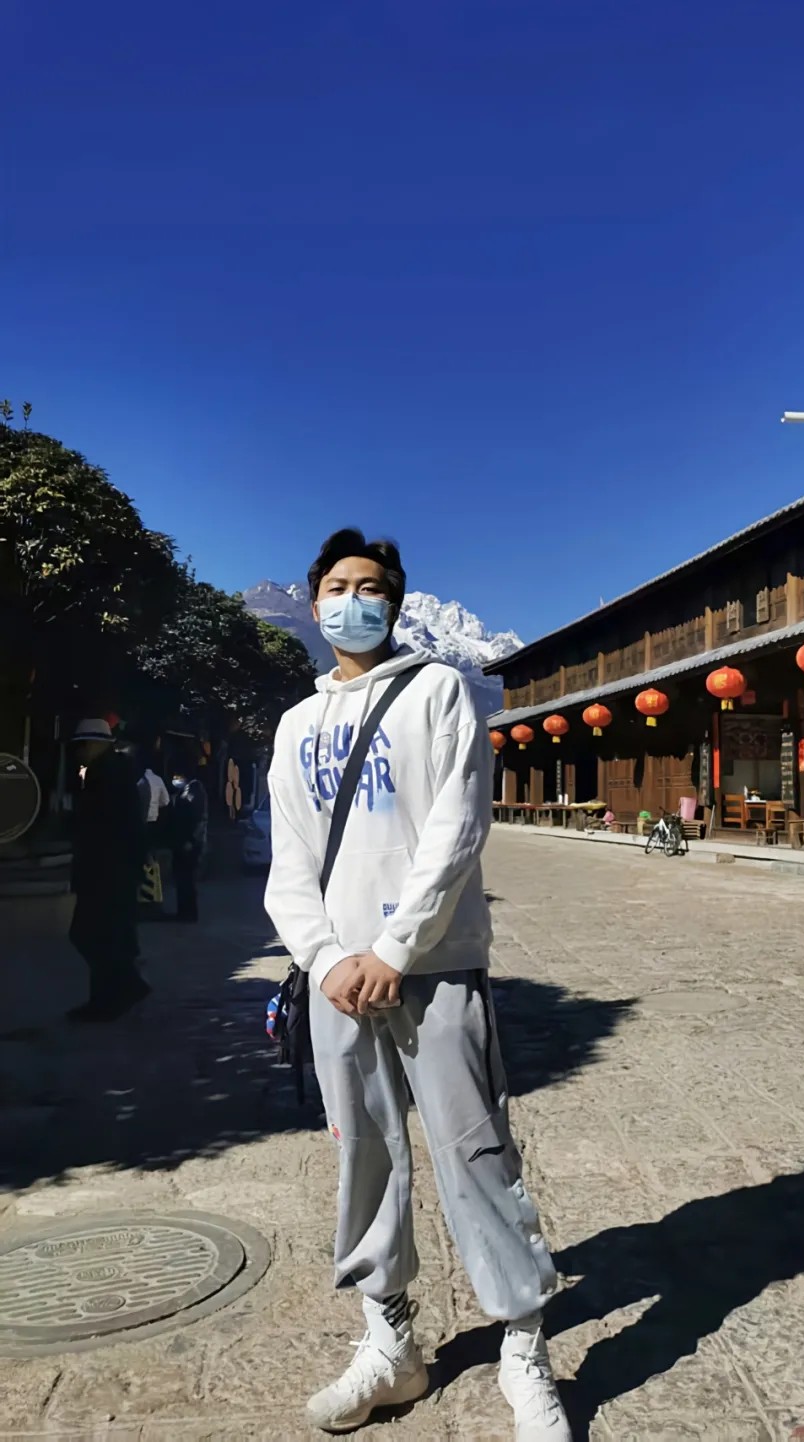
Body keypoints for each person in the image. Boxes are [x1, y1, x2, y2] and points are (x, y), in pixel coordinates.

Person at [264, 529, 569, 1439]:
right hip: (337, 982)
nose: (352, 600)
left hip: (432, 967)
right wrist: (326, 957)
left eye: (371, 587)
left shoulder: (438, 691)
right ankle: (389, 1341)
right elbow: (288, 862)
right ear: (315, 600)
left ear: (393, 605)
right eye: (337, 586)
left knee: (475, 1151)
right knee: (362, 1153)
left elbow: (457, 827)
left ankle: (524, 1345)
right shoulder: (296, 725)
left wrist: (395, 947)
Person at [67, 719, 149, 1021]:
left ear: (96, 745)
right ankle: (119, 991)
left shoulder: (108, 776)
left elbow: (105, 827)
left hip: (107, 872)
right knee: (105, 936)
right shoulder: (109, 773)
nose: (79, 753)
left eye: (83, 746)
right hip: (112, 870)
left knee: (95, 935)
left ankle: (112, 998)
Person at [169, 758, 208, 922]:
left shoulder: (193, 790)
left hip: (190, 844)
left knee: (186, 879)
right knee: (182, 878)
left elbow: (197, 819)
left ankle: (188, 913)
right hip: (184, 841)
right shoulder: (186, 790)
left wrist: (191, 840)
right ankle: (183, 911)